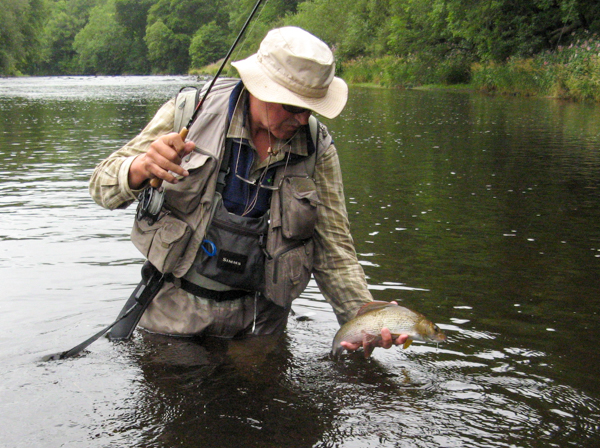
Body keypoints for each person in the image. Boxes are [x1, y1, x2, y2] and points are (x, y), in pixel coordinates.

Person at [89, 26, 407, 356]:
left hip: (260, 330)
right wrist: (141, 167)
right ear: (260, 88)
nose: (301, 119)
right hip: (174, 320)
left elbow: (334, 248)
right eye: (292, 106)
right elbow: (101, 186)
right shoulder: (189, 112)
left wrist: (364, 317)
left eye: (310, 108)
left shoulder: (318, 147)